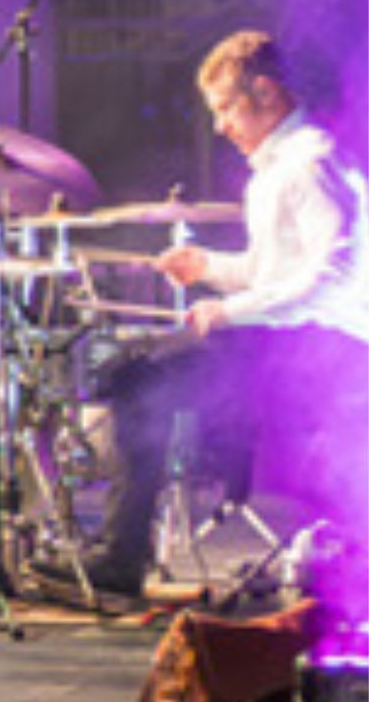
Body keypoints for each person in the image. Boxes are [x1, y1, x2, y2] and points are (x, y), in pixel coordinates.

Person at [98, 31, 369, 601]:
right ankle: (123, 553)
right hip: (289, 336)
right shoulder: (280, 167)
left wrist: (228, 310)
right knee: (134, 375)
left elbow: (332, 274)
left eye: (226, 109)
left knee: (134, 379)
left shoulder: (310, 162)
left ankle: (120, 559)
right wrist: (209, 267)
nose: (221, 126)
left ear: (265, 93)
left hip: (318, 346)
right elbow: (276, 272)